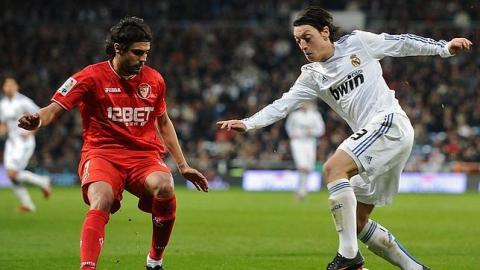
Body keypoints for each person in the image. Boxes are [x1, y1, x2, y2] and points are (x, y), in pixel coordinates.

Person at [217, 6, 472, 270]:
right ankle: (414, 268)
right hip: (379, 142)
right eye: (297, 41)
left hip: (390, 123)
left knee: (333, 168)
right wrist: (248, 123)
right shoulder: (312, 76)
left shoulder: (358, 42)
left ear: (325, 32)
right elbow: (282, 105)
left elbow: (401, 43)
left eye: (307, 37)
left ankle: (349, 258)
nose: (303, 45)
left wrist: (444, 48)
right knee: (358, 222)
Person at [18, 17, 209, 270]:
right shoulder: (90, 77)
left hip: (143, 155)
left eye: (147, 53)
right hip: (102, 154)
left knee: (165, 185)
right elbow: (53, 109)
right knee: (102, 198)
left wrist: (183, 165)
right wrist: (37, 121)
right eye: (137, 52)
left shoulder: (154, 80)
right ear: (118, 48)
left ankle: (155, 261)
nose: (143, 59)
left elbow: (163, 122)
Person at [0, 77, 51, 212]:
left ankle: (43, 181)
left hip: (24, 142)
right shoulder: (3, 104)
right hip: (11, 143)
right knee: (11, 175)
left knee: (12, 173)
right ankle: (28, 203)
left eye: (12, 85)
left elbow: (40, 115)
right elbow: (4, 125)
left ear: (17, 87)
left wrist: (31, 132)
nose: (9, 88)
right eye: (7, 85)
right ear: (4, 88)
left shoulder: (24, 101)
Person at [285, 101, 325, 201]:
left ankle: (301, 191)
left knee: (308, 168)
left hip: (310, 142)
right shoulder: (294, 115)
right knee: (302, 166)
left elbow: (321, 129)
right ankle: (302, 191)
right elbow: (288, 127)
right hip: (297, 142)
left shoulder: (315, 115)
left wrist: (312, 132)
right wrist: (292, 134)